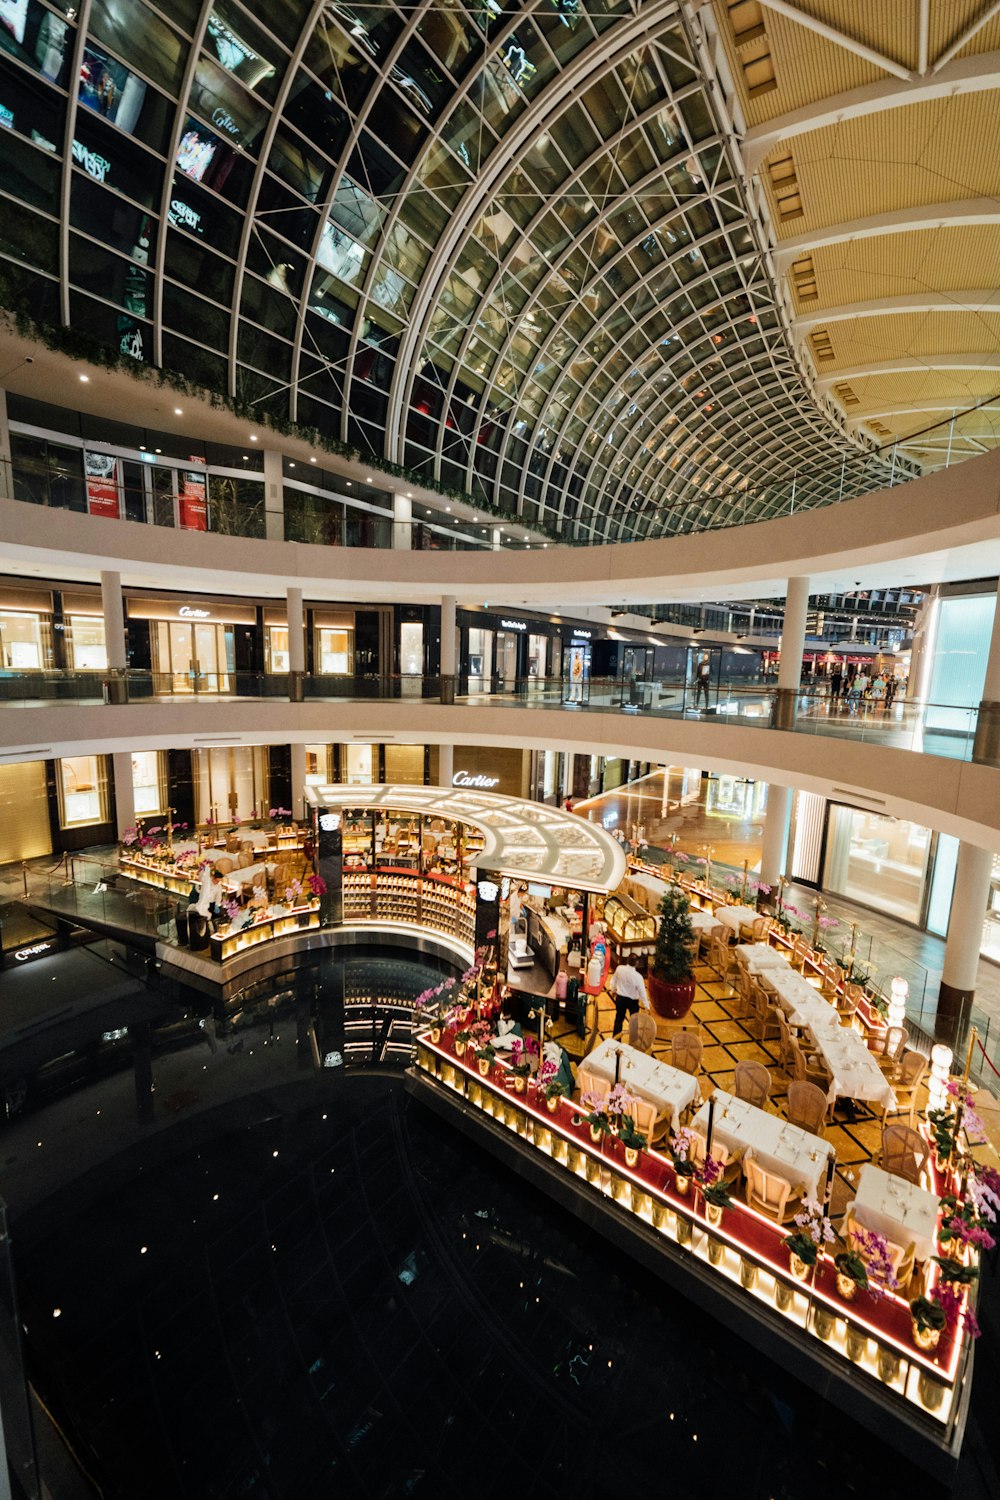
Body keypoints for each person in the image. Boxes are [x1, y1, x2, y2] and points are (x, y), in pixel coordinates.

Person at [607, 959, 647, 1037]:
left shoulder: (619, 969)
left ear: (627, 961)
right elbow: (642, 992)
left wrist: (613, 990)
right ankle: (634, 1040)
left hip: (620, 999)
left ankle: (616, 1040)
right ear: (637, 963)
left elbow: (613, 981)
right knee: (634, 1021)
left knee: (619, 1019)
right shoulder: (638, 977)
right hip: (633, 1001)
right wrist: (646, 1006)